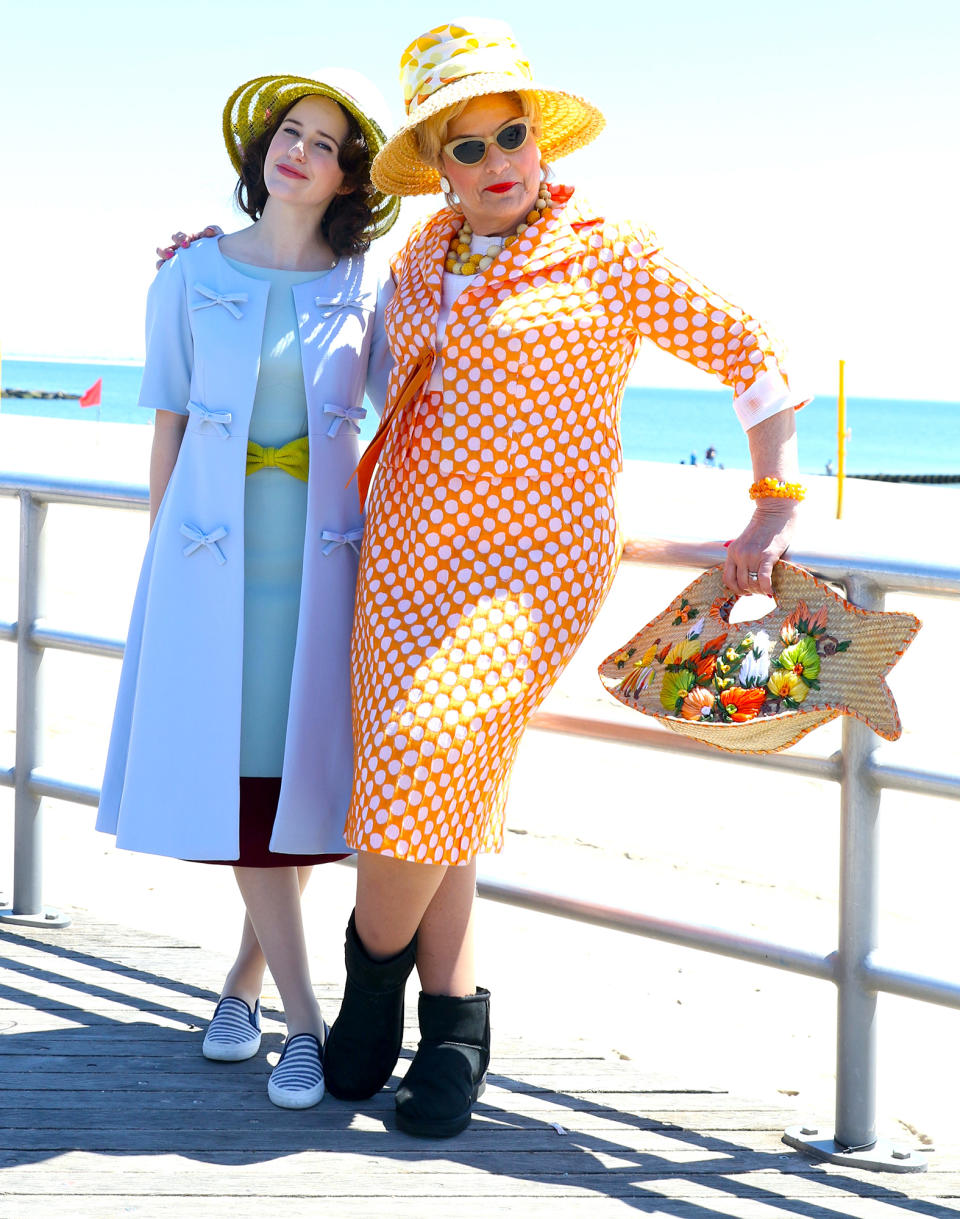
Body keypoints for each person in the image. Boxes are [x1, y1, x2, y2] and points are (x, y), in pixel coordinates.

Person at [320, 19, 809, 1139]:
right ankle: (453, 1027)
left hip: (530, 569)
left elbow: (754, 353)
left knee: (418, 759)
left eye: (510, 136)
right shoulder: (421, 252)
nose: (494, 162)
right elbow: (338, 329)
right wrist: (211, 253)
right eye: (465, 145)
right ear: (437, 163)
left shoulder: (610, 245)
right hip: (401, 557)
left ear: (539, 142)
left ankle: (371, 985)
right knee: (444, 786)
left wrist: (771, 503)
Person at [96, 69, 398, 1109]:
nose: (298, 151)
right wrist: (160, 559)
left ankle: (241, 981)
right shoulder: (186, 275)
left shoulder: (368, 286)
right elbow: (169, 422)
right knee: (241, 783)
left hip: (319, 572)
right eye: (289, 132)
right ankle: (307, 1025)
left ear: (350, 174)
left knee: (292, 786)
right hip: (209, 568)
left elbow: (410, 417)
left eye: (324, 142)